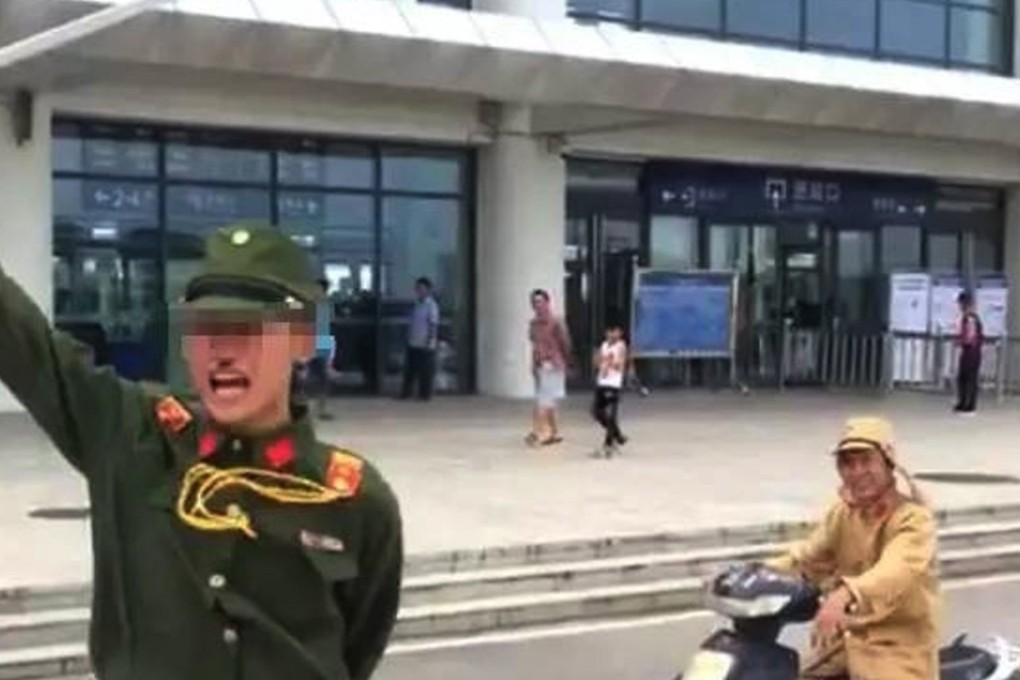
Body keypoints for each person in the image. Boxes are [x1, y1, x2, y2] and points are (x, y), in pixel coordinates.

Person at [0, 224, 403, 680]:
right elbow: (24, 343)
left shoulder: (354, 500)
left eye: (249, 331)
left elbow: (357, 649)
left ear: (303, 340)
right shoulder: (133, 437)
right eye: (206, 329)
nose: (223, 352)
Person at [765, 417, 940, 680]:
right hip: (845, 647)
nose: (857, 471)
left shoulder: (913, 519)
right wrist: (755, 573)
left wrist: (845, 594)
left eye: (866, 460)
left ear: (887, 462)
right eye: (847, 463)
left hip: (896, 654)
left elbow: (895, 570)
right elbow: (809, 558)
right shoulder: (844, 514)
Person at [526, 289, 571, 447]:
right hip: (540, 364)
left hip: (554, 364)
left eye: (540, 301)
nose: (537, 305)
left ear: (547, 302)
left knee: (544, 400)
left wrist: (566, 362)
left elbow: (565, 343)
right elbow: (534, 345)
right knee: (547, 399)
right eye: (534, 302)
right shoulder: (533, 324)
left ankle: (541, 432)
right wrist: (533, 363)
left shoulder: (556, 321)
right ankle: (554, 431)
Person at [591, 320, 628, 458]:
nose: (611, 334)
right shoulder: (604, 345)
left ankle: (608, 445)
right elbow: (597, 363)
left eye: (615, 331)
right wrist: (600, 361)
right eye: (609, 331)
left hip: (613, 384)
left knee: (612, 415)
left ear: (620, 333)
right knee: (597, 412)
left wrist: (608, 362)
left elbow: (619, 365)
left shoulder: (621, 346)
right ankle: (618, 435)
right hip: (601, 382)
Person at [401, 277, 439, 401]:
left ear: (428, 290)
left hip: (425, 343)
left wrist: (430, 340)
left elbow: (433, 324)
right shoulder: (416, 304)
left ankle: (425, 395)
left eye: (422, 288)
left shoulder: (431, 305)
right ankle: (406, 393)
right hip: (413, 341)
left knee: (425, 371)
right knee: (410, 369)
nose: (419, 290)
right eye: (417, 288)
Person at [954, 290, 983, 415]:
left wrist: (960, 341)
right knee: (963, 377)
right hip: (971, 351)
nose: (959, 307)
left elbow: (970, 336)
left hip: (971, 351)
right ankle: (963, 402)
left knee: (969, 378)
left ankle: (969, 405)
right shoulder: (969, 318)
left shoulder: (970, 318)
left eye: (961, 304)